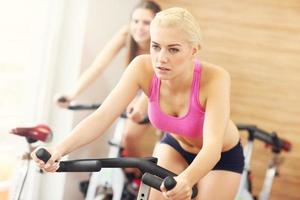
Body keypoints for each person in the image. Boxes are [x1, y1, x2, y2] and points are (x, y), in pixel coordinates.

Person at [32, 7, 244, 200]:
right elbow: (103, 116)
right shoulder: (141, 68)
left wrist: (187, 180)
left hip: (221, 157)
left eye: (173, 49)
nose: (161, 58)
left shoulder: (215, 78)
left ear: (193, 51)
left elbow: (212, 147)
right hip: (176, 147)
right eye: (156, 46)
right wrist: (59, 149)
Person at [56, 0, 161, 159]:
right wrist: (71, 95)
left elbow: (159, 78)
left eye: (146, 23)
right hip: (140, 90)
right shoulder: (126, 34)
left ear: (156, 25)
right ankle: (130, 174)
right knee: (123, 140)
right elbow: (97, 66)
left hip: (161, 90)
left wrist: (141, 102)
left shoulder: (161, 42)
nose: (139, 27)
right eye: (135, 21)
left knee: (131, 136)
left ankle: (140, 175)